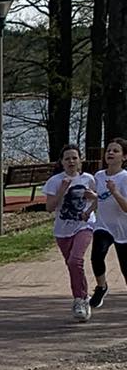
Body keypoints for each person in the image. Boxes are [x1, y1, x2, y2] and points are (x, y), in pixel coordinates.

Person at [44, 146, 98, 321]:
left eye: (74, 158)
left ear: (80, 160)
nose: (71, 162)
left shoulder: (88, 179)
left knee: (75, 260)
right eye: (67, 159)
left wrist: (91, 205)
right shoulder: (55, 181)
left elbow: (99, 200)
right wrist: (62, 190)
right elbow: (49, 207)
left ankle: (80, 300)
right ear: (61, 162)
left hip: (84, 225)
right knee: (72, 265)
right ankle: (84, 294)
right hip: (62, 230)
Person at [89, 137, 127, 310]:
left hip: (123, 229)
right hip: (103, 226)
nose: (110, 153)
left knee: (125, 267)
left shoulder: (125, 178)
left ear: (124, 157)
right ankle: (101, 287)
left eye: (115, 151)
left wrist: (115, 191)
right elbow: (100, 198)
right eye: (108, 150)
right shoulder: (99, 176)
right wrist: (89, 209)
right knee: (97, 256)